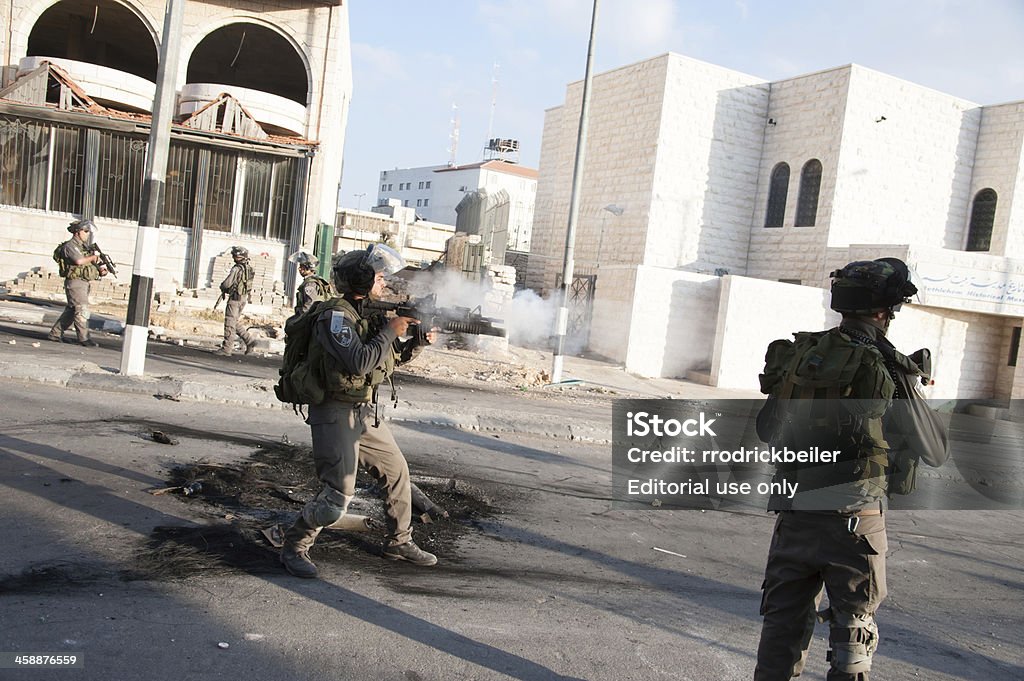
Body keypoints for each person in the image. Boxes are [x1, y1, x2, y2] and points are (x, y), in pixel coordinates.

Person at [753, 257, 945, 681]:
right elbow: (934, 449)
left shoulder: (802, 354)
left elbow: (767, 429)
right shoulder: (887, 366)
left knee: (780, 632)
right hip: (854, 523)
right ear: (885, 311)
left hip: (794, 516)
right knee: (851, 642)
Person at [280, 243, 438, 578]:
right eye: (380, 278)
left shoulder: (369, 317)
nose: (385, 284)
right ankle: (295, 545)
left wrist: (416, 341)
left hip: (362, 410)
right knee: (339, 494)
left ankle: (399, 541)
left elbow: (387, 360)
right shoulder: (334, 316)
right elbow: (360, 360)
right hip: (334, 410)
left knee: (397, 472)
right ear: (362, 280)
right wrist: (390, 330)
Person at [48, 219, 103, 347]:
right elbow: (79, 261)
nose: (88, 234)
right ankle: (84, 338)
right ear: (78, 232)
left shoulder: (83, 247)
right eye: (86, 231)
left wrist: (100, 270)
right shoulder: (70, 246)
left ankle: (55, 334)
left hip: (84, 282)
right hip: (75, 282)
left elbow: (88, 263)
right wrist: (93, 257)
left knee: (72, 310)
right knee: (81, 309)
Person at [216, 245, 257, 356]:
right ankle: (249, 341)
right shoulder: (248, 268)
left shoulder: (237, 269)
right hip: (243, 298)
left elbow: (227, 283)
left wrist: (223, 287)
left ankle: (226, 348)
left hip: (235, 298)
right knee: (234, 322)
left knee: (230, 322)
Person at [288, 250, 331, 318]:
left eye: (302, 267)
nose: (299, 269)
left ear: (308, 268)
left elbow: (309, 306)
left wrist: (300, 320)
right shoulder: (312, 281)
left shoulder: (310, 284)